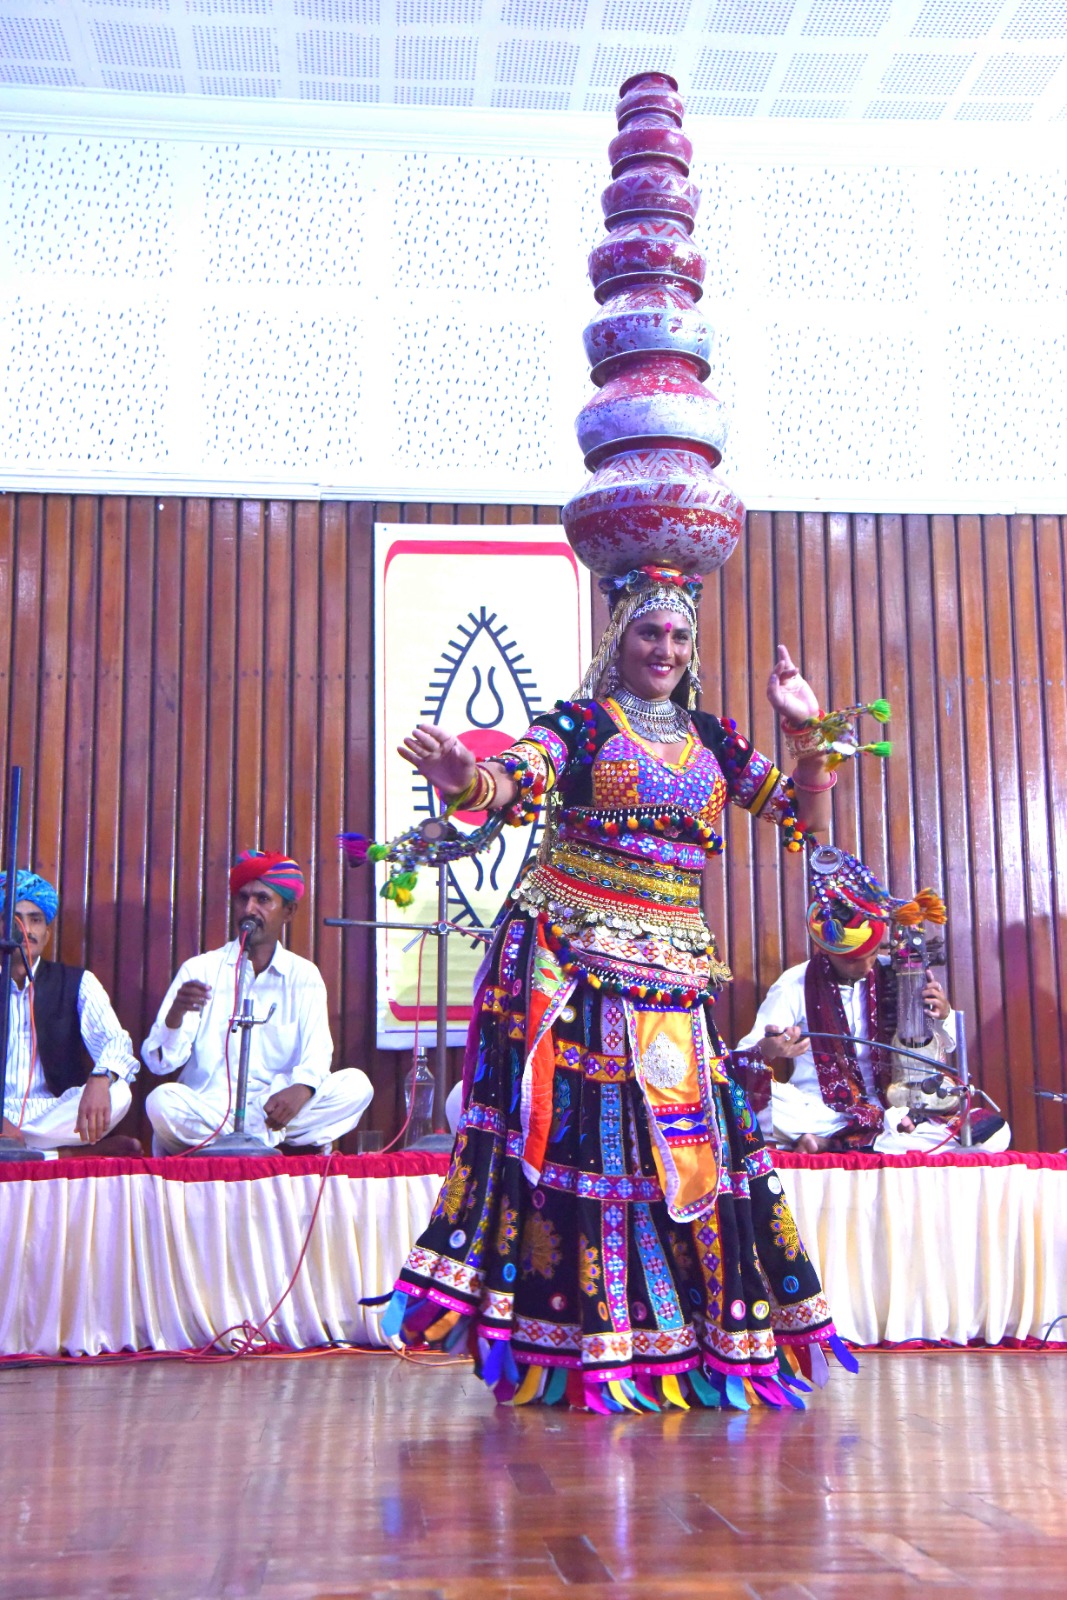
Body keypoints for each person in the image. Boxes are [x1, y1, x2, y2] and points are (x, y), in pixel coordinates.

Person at [381, 565, 856, 1413]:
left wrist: (808, 729)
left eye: (677, 636)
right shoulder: (579, 724)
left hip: (672, 972)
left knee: (683, 1150)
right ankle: (572, 1347)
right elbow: (513, 780)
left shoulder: (713, 738)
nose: (664, 649)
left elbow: (801, 820)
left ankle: (686, 1344)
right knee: (584, 1147)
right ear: (618, 640)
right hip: (575, 963)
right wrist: (466, 779)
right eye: (649, 632)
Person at [734, 878, 1009, 1154]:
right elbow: (743, 1055)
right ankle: (865, 1143)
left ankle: (833, 1146)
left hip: (895, 1108)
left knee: (996, 1133)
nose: (867, 967)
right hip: (821, 1113)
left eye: (873, 953)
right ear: (828, 951)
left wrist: (943, 1013)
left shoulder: (900, 974)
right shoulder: (795, 983)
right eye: (854, 960)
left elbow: (946, 1046)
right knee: (751, 1106)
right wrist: (769, 1048)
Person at [143, 850, 372, 1155]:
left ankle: (240, 1144)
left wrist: (302, 1090)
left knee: (356, 1086)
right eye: (243, 898)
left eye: (263, 900)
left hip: (276, 1111)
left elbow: (317, 1054)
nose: (249, 909)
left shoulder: (304, 975)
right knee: (162, 1102)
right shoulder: (200, 970)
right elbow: (162, 1063)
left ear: (288, 912)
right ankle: (252, 1144)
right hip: (213, 1112)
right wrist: (175, 1014)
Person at [0, 870, 141, 1155]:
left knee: (119, 1091)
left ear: (47, 934)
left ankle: (23, 1150)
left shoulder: (78, 982)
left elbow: (116, 1042)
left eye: (35, 920)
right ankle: (58, 1155)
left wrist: (101, 1077)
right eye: (15, 919)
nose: (26, 929)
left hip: (52, 1114)